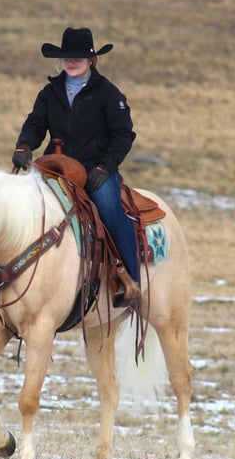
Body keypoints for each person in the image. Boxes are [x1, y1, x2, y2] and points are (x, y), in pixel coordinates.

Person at [11, 26, 141, 307]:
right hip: (53, 167)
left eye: (79, 57)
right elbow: (35, 124)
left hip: (95, 170)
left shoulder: (108, 93)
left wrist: (105, 168)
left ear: (91, 60)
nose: (72, 61)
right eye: (68, 57)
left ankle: (128, 278)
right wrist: (24, 146)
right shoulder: (50, 92)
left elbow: (123, 135)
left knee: (109, 208)